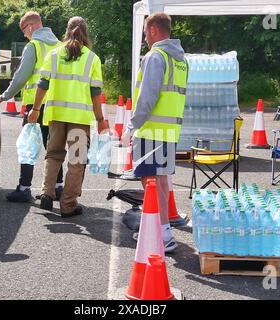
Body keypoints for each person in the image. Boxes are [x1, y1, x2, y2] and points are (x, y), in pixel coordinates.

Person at [28, 16, 108, 217]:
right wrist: (100, 120)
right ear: (86, 33)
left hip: (55, 114)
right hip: (79, 119)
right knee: (76, 160)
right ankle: (68, 205)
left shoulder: (54, 54)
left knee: (53, 154)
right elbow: (95, 93)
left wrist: (35, 110)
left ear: (66, 31)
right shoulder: (92, 59)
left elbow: (43, 84)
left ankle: (47, 192)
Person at [121, 13, 188, 252]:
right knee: (159, 182)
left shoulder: (155, 57)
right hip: (169, 131)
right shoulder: (180, 60)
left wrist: (131, 126)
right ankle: (162, 231)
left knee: (150, 182)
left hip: (151, 130)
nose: (145, 38)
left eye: (145, 33)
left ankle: (160, 234)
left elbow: (147, 98)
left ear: (152, 31)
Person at [0, 11, 64, 202]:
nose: (24, 34)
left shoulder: (34, 46)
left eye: (24, 30)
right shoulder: (59, 46)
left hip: (35, 104)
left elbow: (22, 75)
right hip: (55, 104)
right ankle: (57, 187)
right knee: (53, 146)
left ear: (31, 27)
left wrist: (6, 95)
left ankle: (24, 188)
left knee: (28, 147)